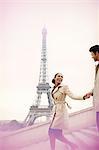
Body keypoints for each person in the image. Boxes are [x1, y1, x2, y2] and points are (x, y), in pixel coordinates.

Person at [48, 73, 88, 150]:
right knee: (56, 134)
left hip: (61, 112)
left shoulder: (64, 87)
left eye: (62, 76)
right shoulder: (52, 89)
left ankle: (55, 148)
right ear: (55, 78)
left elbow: (73, 96)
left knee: (51, 132)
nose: (60, 77)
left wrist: (83, 97)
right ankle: (72, 145)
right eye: (58, 76)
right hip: (55, 111)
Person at [84, 45, 99, 132]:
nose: (92, 57)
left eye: (92, 54)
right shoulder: (97, 67)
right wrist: (91, 92)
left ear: (97, 53)